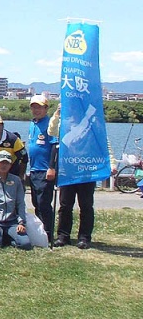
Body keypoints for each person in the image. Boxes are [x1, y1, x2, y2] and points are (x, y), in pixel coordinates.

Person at [49, 105, 96, 249]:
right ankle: (63, 236)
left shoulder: (92, 124)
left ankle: (84, 237)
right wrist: (57, 113)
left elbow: (103, 145)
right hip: (67, 170)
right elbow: (51, 131)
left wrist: (111, 163)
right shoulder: (65, 124)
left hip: (86, 171)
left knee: (86, 206)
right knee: (65, 205)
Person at [26, 95, 58, 242]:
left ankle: (48, 234)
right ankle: (40, 234)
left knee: (44, 203)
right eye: (34, 107)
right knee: (36, 202)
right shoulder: (33, 123)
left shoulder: (50, 123)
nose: (36, 110)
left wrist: (52, 167)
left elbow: (54, 146)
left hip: (45, 170)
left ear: (46, 108)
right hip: (33, 169)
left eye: (39, 107)